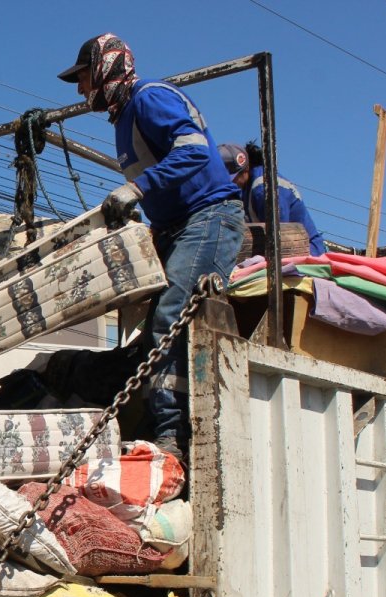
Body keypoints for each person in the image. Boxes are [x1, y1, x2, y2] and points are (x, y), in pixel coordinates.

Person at [57, 34, 244, 461]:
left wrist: (138, 188)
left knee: (170, 314)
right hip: (178, 225)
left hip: (208, 217)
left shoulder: (149, 97)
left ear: (105, 68)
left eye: (83, 78)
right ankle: (159, 421)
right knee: (149, 326)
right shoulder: (125, 118)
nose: (81, 89)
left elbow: (195, 151)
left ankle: (172, 437)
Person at [218, 142, 327, 256]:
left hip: (306, 252)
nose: (230, 184)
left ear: (245, 169)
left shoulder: (263, 188)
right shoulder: (246, 188)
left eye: (233, 179)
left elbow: (280, 236)